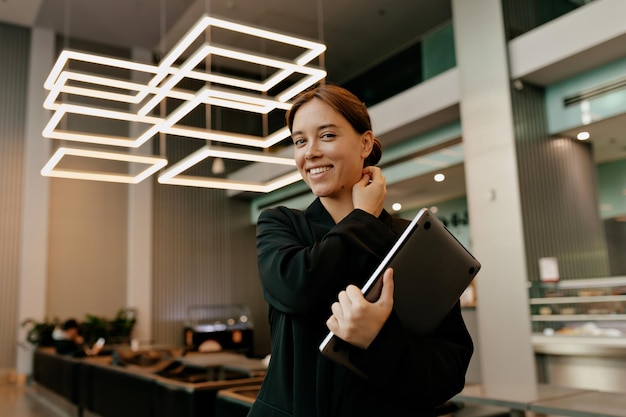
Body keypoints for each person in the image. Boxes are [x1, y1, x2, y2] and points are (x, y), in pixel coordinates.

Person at [248, 84, 474, 417]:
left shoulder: (411, 238)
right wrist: (363, 218)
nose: (309, 152)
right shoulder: (281, 224)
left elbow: (448, 374)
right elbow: (298, 288)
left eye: (326, 136)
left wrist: (379, 339)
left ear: (365, 143)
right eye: (299, 141)